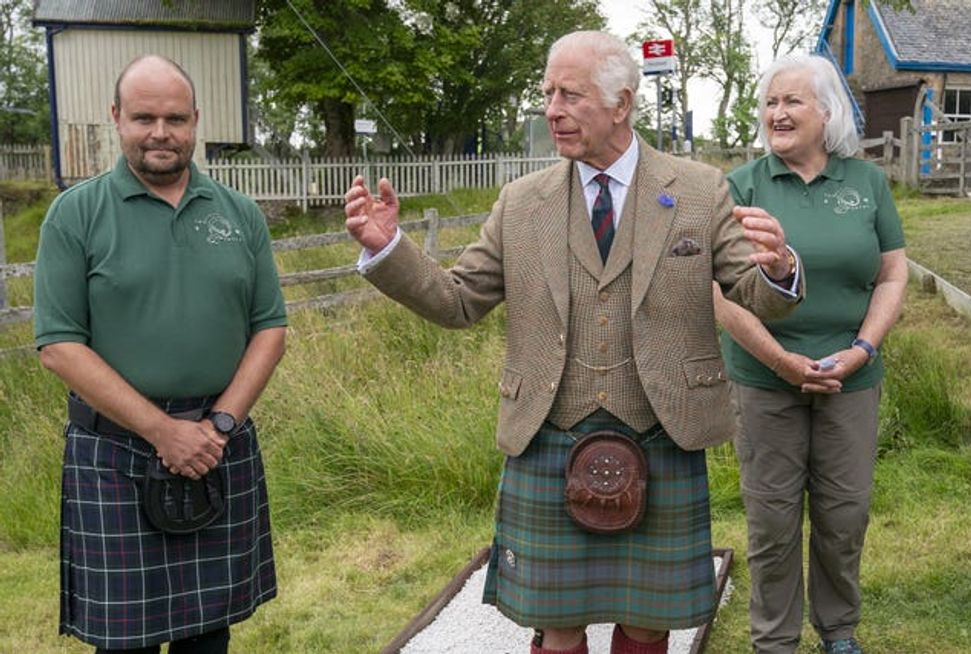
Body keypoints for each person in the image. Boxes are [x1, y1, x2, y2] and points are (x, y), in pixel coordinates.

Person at [345, 31, 804, 654]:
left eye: (570, 94)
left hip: (663, 430)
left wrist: (778, 270)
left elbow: (755, 295)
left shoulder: (699, 190)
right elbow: (459, 302)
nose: (551, 109)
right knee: (557, 623)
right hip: (548, 434)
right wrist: (389, 251)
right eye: (546, 93)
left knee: (649, 621)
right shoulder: (520, 204)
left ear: (621, 103)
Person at [33, 55, 287, 654]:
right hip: (116, 451)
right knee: (126, 644)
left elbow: (270, 329)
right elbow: (59, 346)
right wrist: (162, 432)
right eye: (143, 117)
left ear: (196, 120)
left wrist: (219, 425)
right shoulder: (76, 215)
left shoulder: (239, 214)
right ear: (116, 118)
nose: (160, 133)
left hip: (217, 444)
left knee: (209, 635)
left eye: (175, 118)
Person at [713, 53, 907, 654]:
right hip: (765, 378)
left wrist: (862, 349)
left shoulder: (866, 183)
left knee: (843, 517)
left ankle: (839, 631)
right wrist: (781, 362)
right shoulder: (741, 185)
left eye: (792, 101)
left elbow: (892, 275)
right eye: (770, 102)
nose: (777, 112)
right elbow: (720, 293)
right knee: (772, 522)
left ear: (827, 112)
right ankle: (774, 640)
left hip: (852, 376)